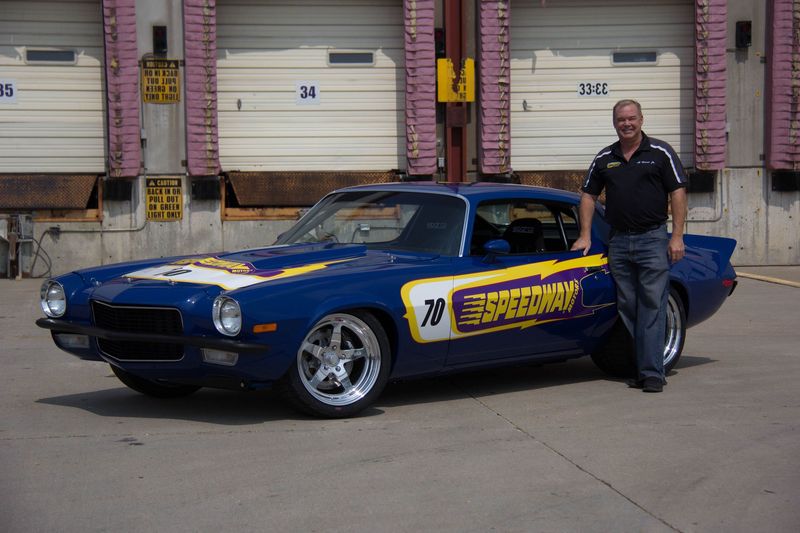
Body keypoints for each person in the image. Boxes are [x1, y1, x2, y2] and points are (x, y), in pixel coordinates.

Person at [571, 99, 687, 393]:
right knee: (629, 307)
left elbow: (678, 192)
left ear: (641, 119)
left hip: (652, 239)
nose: (627, 124)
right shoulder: (604, 157)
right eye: (621, 119)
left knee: (652, 304)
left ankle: (650, 373)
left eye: (631, 118)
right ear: (614, 123)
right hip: (619, 241)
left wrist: (677, 236)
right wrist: (585, 234)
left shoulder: (660, 152)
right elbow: (587, 195)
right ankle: (647, 363)